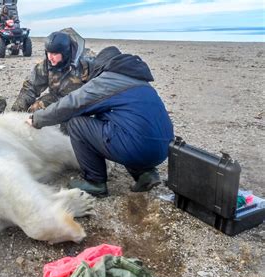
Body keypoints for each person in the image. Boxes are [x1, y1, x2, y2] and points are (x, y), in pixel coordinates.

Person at [26, 46, 174, 196]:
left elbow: (72, 103)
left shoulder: (108, 79)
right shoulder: (140, 82)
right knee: (122, 122)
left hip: (136, 147)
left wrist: (37, 119)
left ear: (102, 65)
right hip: (163, 149)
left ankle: (95, 181)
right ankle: (145, 173)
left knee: (77, 123)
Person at [11, 28, 94, 113]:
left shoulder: (88, 63)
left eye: (54, 54)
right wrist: (16, 112)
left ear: (66, 52)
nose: (50, 57)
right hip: (57, 98)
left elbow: (102, 88)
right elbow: (30, 87)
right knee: (36, 109)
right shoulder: (47, 64)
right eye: (48, 52)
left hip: (82, 103)